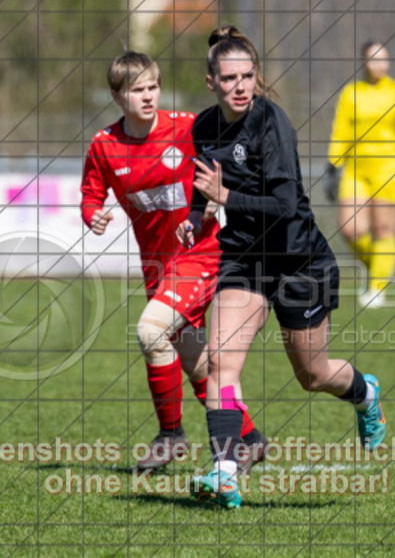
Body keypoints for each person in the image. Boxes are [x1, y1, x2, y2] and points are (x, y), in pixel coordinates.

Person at [176, 26, 386, 509]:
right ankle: (225, 471)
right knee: (221, 360)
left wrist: (225, 198)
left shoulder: (272, 122)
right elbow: (203, 183)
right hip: (244, 259)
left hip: (299, 261)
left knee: (312, 376)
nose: (241, 86)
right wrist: (194, 216)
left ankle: (364, 393)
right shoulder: (203, 127)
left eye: (248, 76)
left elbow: (288, 204)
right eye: (229, 78)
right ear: (211, 82)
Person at [80, 51, 266, 474]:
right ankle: (251, 439)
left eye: (152, 87)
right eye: (136, 90)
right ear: (116, 95)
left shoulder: (186, 128)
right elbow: (91, 194)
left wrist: (223, 196)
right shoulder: (105, 147)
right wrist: (92, 214)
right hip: (157, 266)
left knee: (150, 331)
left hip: (201, 254)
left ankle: (171, 436)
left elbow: (232, 156)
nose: (148, 97)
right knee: (194, 358)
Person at [324, 40, 395, 308]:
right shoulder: (351, 93)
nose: (379, 64)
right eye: (373, 59)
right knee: (350, 228)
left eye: (383, 59)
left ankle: (377, 287)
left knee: (383, 228)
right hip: (356, 170)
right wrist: (333, 164)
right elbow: (340, 130)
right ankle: (379, 265)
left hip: (389, 168)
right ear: (363, 62)